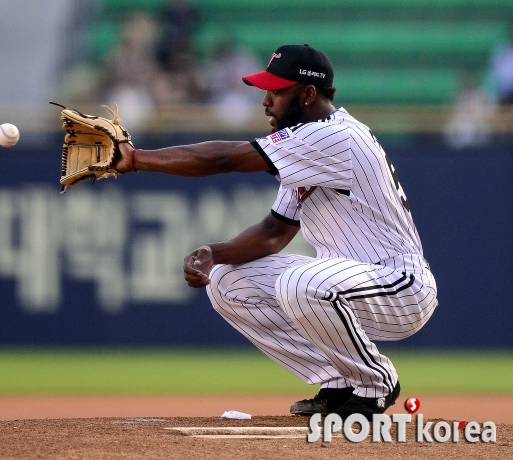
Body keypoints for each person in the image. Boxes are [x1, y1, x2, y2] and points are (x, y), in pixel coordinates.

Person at [114, 44, 438, 420]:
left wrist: (137, 159)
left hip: (400, 286)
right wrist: (215, 253)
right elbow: (274, 232)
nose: (266, 101)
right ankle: (340, 381)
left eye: (277, 91)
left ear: (308, 94)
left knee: (300, 283)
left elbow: (225, 158)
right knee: (227, 283)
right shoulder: (305, 142)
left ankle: (376, 382)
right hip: (341, 286)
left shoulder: (337, 137)